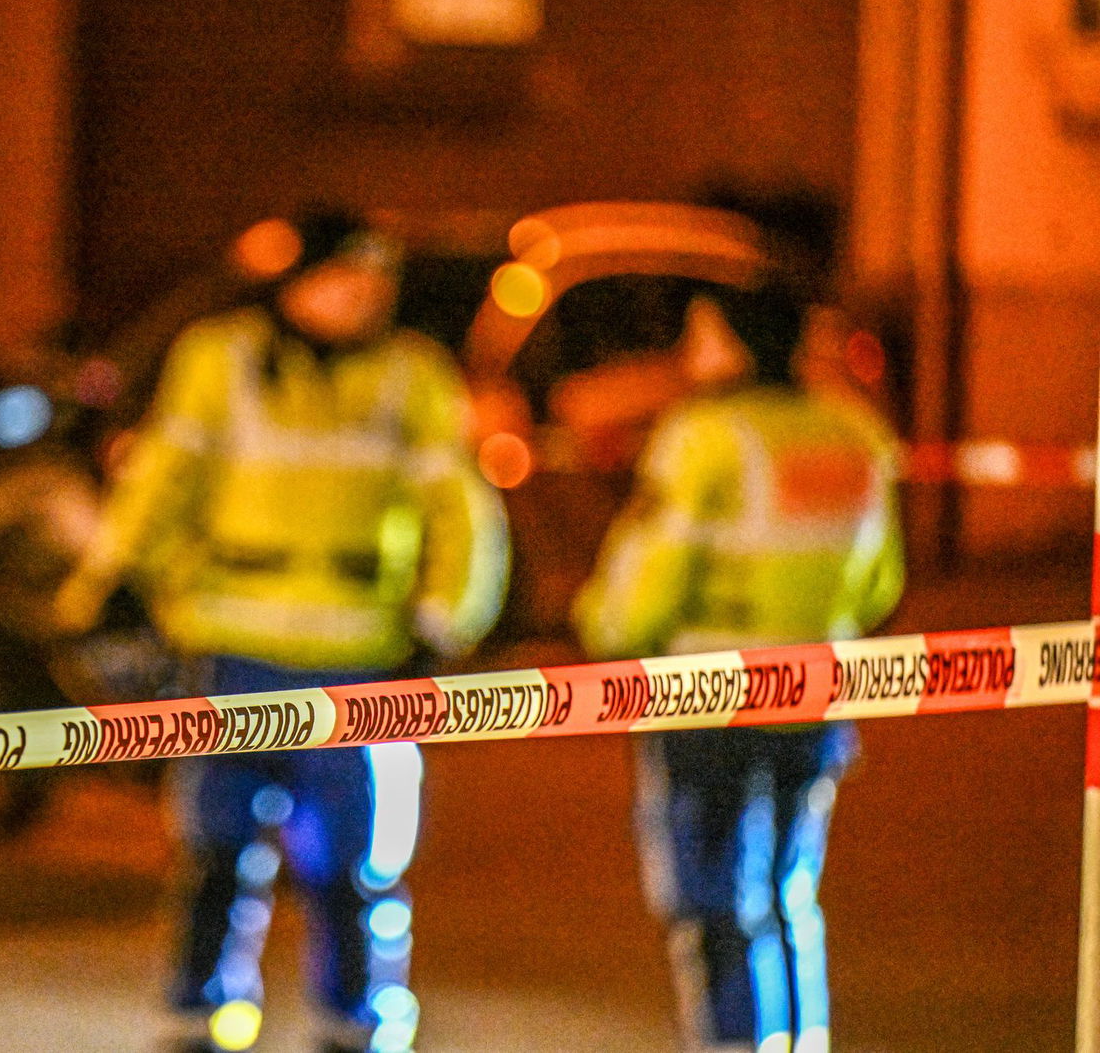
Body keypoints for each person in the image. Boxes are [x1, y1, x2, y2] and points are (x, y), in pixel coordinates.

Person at [54, 207, 509, 1053]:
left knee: (356, 863)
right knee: (216, 849)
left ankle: (359, 1022)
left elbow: (463, 508)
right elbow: (164, 475)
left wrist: (449, 620)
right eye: (345, 277)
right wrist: (111, 584)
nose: (363, 296)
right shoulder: (219, 358)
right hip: (232, 646)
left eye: (378, 282)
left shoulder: (414, 375)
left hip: (360, 657)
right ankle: (200, 1015)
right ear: (295, 281)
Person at [570, 205, 905, 1053]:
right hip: (819, 693)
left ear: (739, 341)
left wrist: (600, 627)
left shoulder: (704, 436)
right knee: (792, 893)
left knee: (713, 902)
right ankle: (802, 1039)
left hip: (705, 695)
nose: (691, 352)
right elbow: (881, 581)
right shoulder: (854, 431)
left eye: (703, 334)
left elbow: (646, 578)